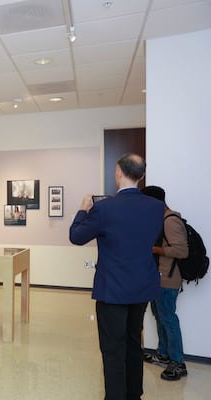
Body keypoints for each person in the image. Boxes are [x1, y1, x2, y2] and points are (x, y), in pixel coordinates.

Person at [69, 153, 164, 400]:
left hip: (113, 289)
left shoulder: (104, 208)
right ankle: (134, 394)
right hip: (142, 287)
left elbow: (76, 236)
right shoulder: (156, 208)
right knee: (134, 342)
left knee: (112, 348)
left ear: (118, 173)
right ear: (142, 176)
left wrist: (82, 209)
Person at [141, 185, 189, 381]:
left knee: (168, 318)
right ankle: (163, 354)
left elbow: (182, 251)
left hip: (168, 279)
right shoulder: (161, 220)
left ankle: (178, 363)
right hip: (158, 277)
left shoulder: (171, 222)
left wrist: (154, 249)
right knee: (160, 316)